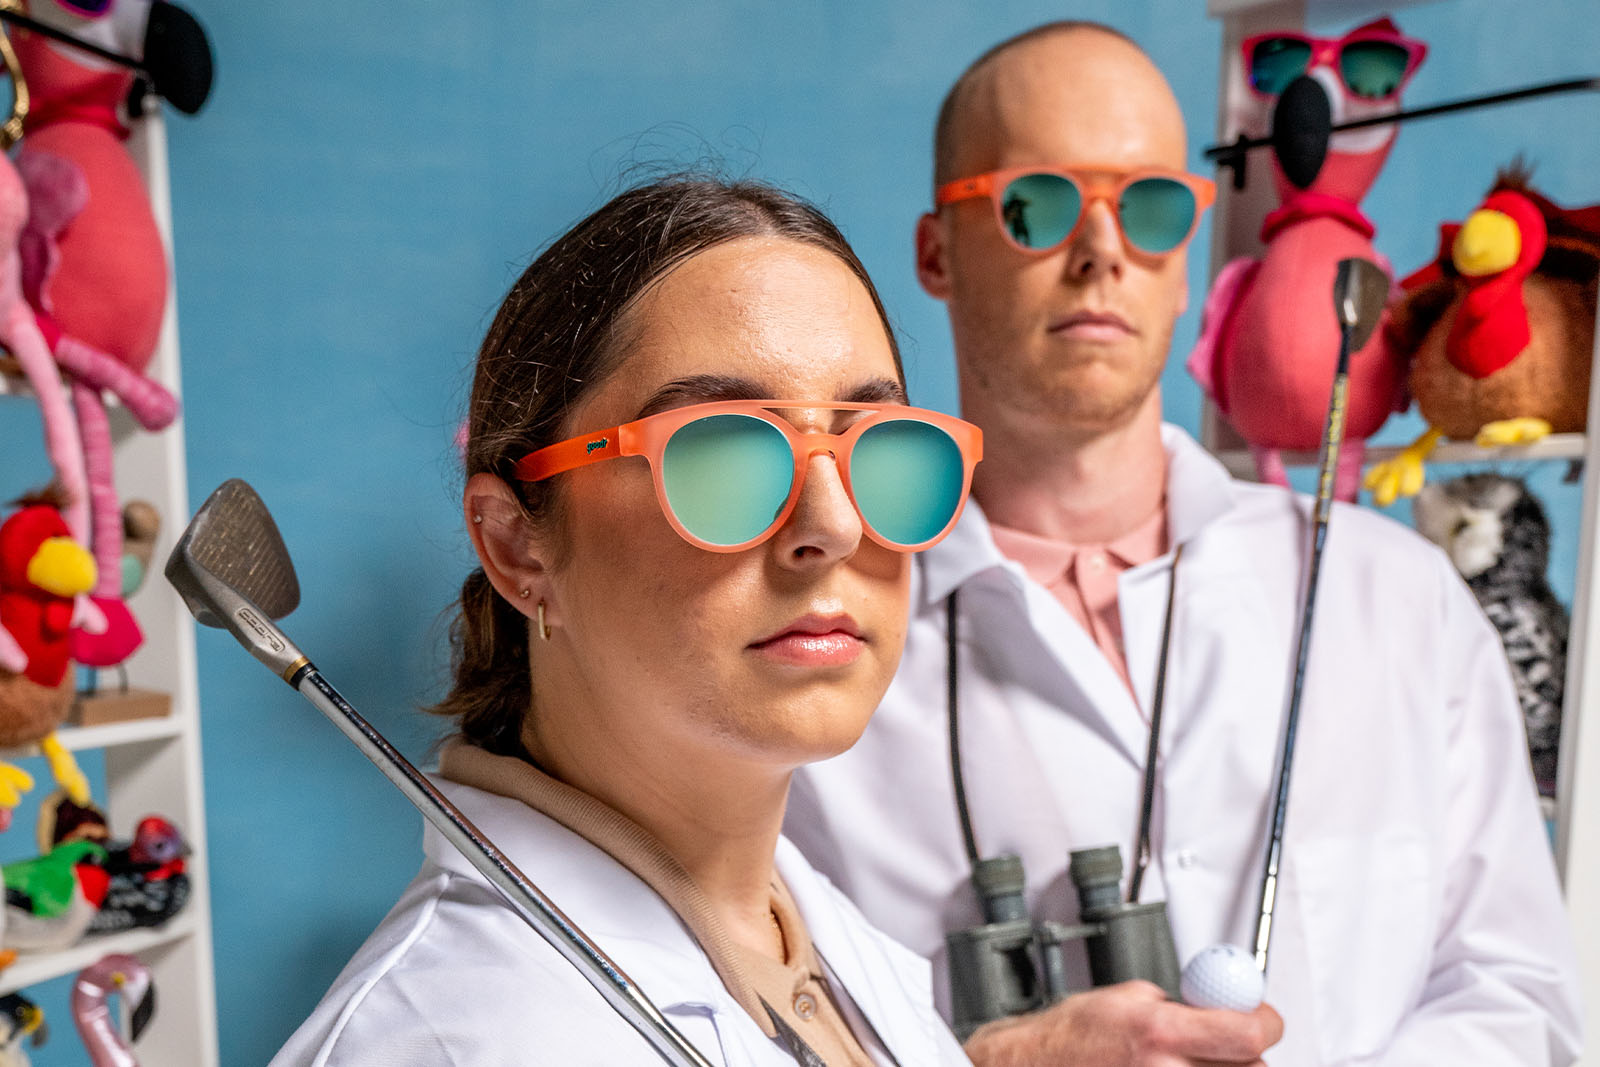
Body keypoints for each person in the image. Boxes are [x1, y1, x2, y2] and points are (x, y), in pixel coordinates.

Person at [787, 22, 1583, 1066]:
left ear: (1185, 266)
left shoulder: (1396, 597)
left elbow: (1524, 997)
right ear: (937, 252)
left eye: (1151, 207)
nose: (1103, 250)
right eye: (1037, 205)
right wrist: (998, 1059)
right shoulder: (812, 653)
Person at [272, 177, 983, 1065]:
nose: (834, 524)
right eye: (722, 453)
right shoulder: (447, 1038)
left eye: (879, 445)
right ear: (517, 547)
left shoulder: (807, 932)